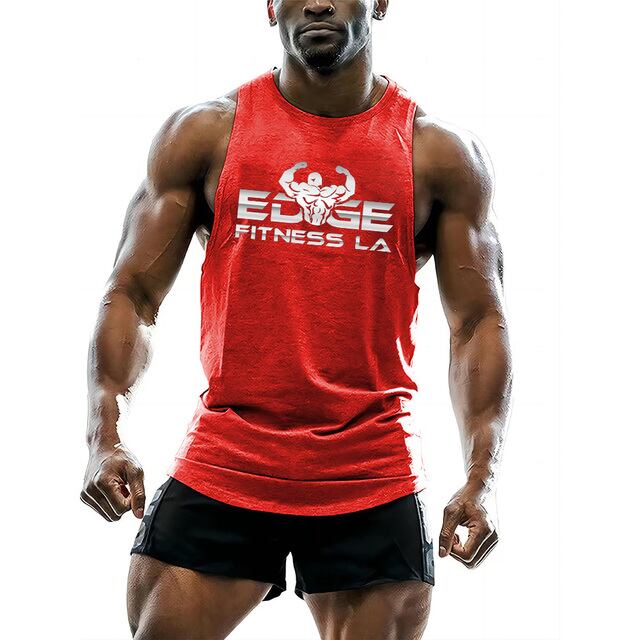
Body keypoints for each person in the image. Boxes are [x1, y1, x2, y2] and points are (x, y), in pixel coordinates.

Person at [80, 1, 512, 638]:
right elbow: (133, 294)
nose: (317, 1)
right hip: (228, 458)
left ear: (381, 2)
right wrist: (105, 437)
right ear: (268, 5)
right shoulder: (206, 136)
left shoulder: (437, 155)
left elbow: (476, 323)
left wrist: (481, 479)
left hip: (370, 470)